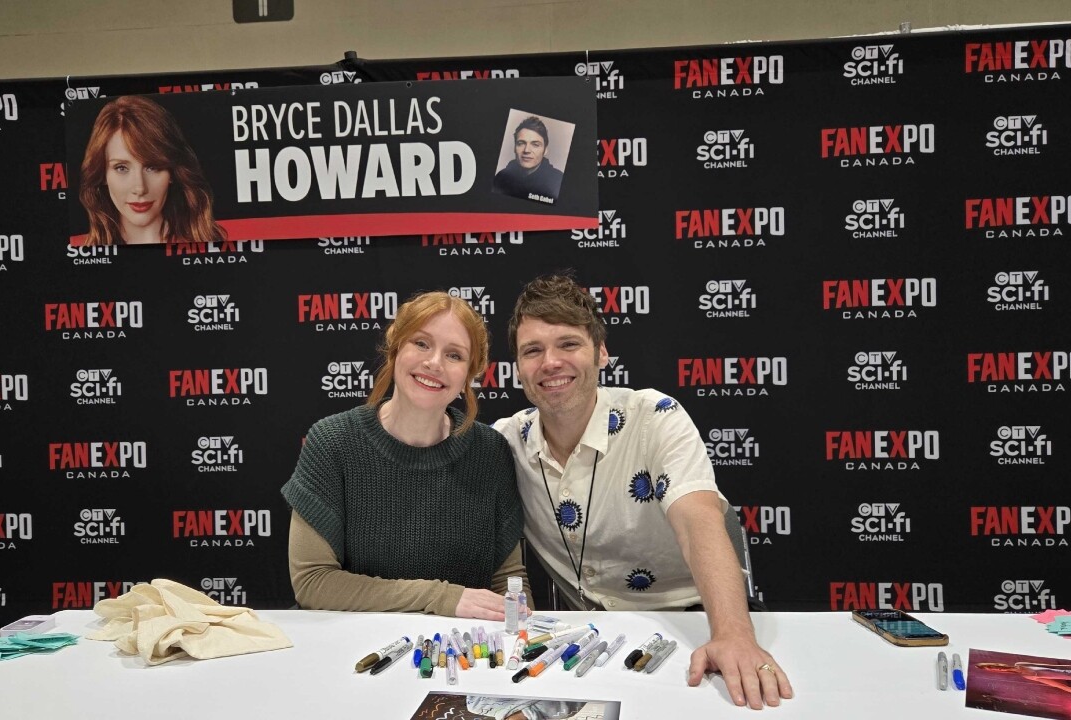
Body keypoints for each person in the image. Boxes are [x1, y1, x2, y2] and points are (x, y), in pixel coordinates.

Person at [493, 273, 793, 710]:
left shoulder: (655, 417)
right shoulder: (506, 442)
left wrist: (732, 635)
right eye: (532, 350)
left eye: (568, 344)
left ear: (601, 352)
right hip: (589, 646)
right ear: (518, 367)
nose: (550, 362)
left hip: (693, 627)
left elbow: (697, 520)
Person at [281, 291, 527, 620]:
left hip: (462, 646)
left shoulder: (490, 451)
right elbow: (313, 582)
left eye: (454, 355)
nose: (434, 363)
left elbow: (509, 581)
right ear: (396, 348)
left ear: (470, 374)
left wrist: (520, 632)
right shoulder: (333, 442)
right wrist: (438, 596)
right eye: (421, 344)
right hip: (355, 644)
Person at [76, 95, 221, 245]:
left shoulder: (214, 243)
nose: (140, 188)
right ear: (102, 175)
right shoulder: (79, 250)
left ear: (172, 172)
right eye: (121, 168)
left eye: (153, 167)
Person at [492, 115, 565, 202]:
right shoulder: (500, 178)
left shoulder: (558, 180)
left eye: (535, 145)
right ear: (514, 147)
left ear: (545, 150)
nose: (526, 150)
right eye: (521, 143)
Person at [975, 660, 1071, 694]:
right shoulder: (1026, 676)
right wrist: (1068, 689)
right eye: (991, 669)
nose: (996, 668)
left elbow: (1051, 666)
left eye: (991, 666)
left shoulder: (1020, 664)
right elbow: (1053, 683)